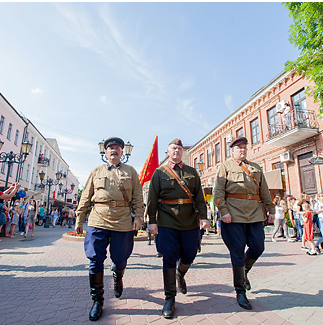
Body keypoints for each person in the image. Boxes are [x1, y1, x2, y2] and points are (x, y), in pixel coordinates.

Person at [75, 136, 143, 321]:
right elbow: (86, 196)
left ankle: (118, 274)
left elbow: (137, 196)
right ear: (105, 152)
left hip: (122, 219)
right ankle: (97, 300)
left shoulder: (131, 171)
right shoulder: (96, 171)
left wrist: (138, 217)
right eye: (110, 147)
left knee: (121, 258)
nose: (114, 150)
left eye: (117, 148)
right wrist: (80, 219)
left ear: (122, 152)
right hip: (98, 218)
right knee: (95, 259)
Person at [147, 137, 209, 319]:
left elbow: (199, 196)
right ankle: (169, 298)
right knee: (169, 257)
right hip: (167, 220)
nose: (176, 151)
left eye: (179, 149)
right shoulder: (159, 172)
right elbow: (152, 197)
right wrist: (152, 220)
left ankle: (180, 274)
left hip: (189, 220)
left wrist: (204, 217)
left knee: (190, 254)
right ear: (168, 152)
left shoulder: (192, 172)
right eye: (173, 148)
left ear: (182, 152)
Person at [213, 134, 274, 311]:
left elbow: (264, 191)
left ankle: (244, 271)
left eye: (244, 147)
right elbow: (218, 193)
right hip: (233, 215)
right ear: (232, 150)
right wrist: (223, 212)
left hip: (254, 214)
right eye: (239, 148)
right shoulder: (225, 166)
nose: (242, 150)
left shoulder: (255, 167)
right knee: (237, 252)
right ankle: (240, 290)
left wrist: (271, 210)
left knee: (258, 247)